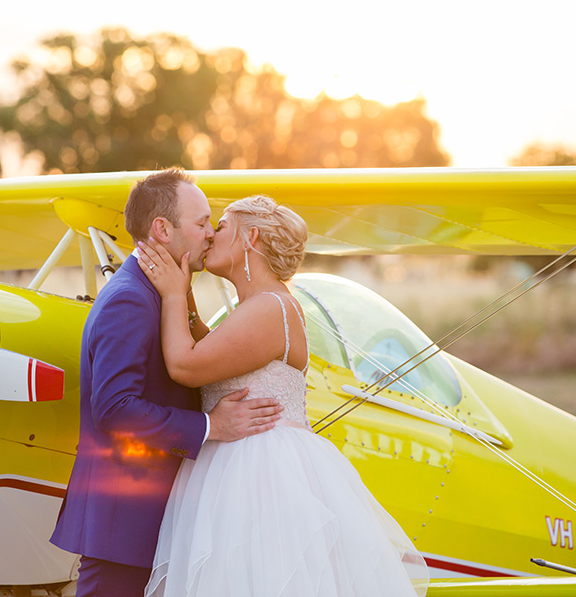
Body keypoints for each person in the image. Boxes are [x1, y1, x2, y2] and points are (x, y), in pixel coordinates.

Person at [137, 195, 429, 597]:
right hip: (237, 467)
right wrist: (185, 295)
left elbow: (186, 366)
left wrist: (172, 294)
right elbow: (213, 352)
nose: (210, 236)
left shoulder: (270, 308)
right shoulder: (261, 306)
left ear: (251, 237)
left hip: (262, 474)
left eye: (221, 226)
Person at [50, 169, 285, 597]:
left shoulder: (159, 292)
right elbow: (114, 409)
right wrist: (213, 426)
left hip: (153, 520)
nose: (211, 234)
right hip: (124, 522)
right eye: (202, 223)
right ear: (162, 229)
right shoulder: (130, 298)